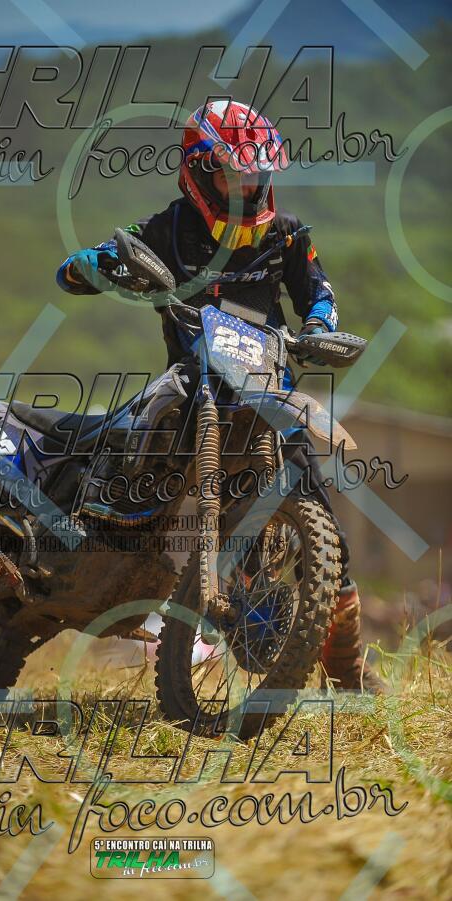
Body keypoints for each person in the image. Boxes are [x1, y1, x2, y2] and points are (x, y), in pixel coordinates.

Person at [56, 100, 382, 692]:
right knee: (133, 477)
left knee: (327, 535)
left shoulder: (287, 235)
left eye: (255, 175)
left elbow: (318, 295)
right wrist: (91, 266)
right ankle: (77, 543)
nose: (247, 187)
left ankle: (349, 671)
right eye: (234, 175)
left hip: (268, 398)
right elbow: (98, 260)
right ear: (201, 171)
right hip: (192, 394)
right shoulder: (168, 229)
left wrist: (316, 326)